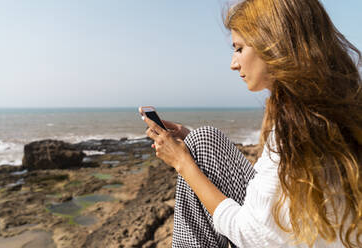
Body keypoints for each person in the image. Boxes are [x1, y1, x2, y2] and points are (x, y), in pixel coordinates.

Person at [141, 0, 362, 247]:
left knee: (195, 156)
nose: (233, 64)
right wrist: (191, 144)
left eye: (239, 48)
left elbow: (251, 235)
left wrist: (183, 163)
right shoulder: (328, 111)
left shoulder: (296, 131)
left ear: (272, 45)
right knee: (203, 140)